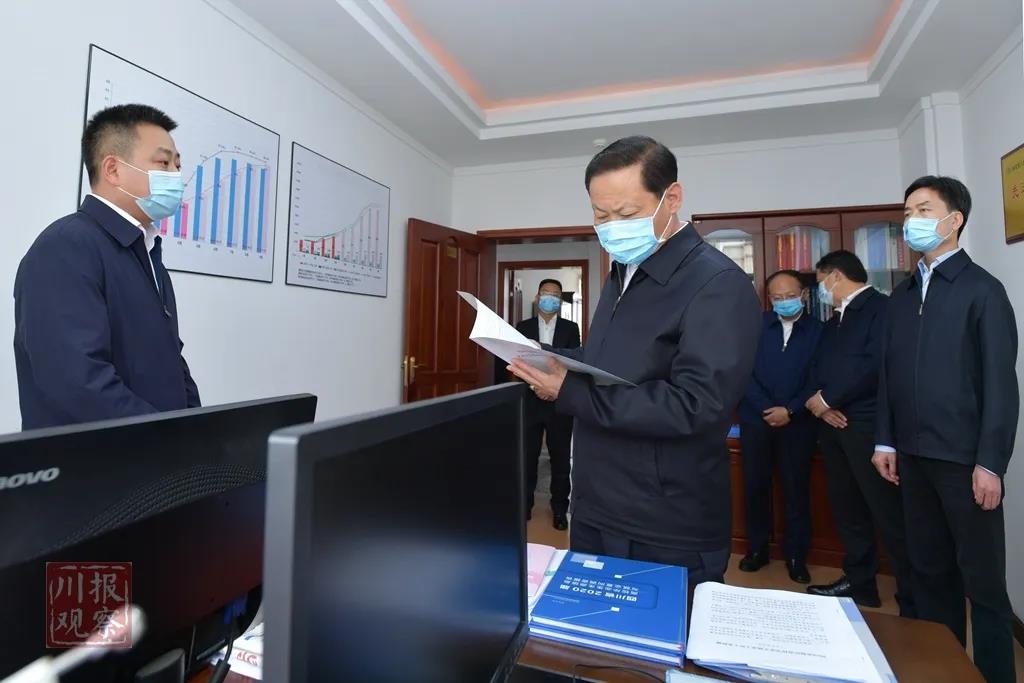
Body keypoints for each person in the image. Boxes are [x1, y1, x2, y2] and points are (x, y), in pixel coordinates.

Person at [508, 136, 760, 585]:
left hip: (662, 519)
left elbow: (696, 406)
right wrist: (544, 356)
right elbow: (612, 363)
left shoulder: (718, 283)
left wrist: (568, 390)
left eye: (625, 214)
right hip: (597, 503)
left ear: (672, 198)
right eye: (600, 215)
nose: (612, 228)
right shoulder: (623, 272)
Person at [873, 176, 1017, 683]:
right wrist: (885, 439)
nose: (910, 220)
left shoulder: (983, 291)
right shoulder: (901, 295)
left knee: (984, 586)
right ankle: (946, 671)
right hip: (912, 458)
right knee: (930, 575)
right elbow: (888, 375)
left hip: (965, 462)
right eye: (907, 211)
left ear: (954, 220)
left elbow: (1001, 385)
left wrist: (990, 463)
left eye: (923, 209)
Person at [14, 104, 201, 430]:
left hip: (161, 451)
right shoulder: (65, 247)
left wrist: (196, 427)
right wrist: (167, 437)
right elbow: (77, 381)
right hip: (100, 458)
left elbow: (172, 360)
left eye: (177, 164)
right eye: (163, 163)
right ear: (113, 170)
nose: (175, 175)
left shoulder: (147, 253)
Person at [802, 251, 914, 615]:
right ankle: (860, 583)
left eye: (821, 281)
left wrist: (828, 398)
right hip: (832, 426)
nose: (820, 289)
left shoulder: (881, 308)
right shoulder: (834, 319)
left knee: (887, 511)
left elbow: (875, 365)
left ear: (835, 275)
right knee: (847, 507)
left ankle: (912, 595)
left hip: (867, 426)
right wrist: (821, 404)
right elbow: (816, 366)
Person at [737, 270, 822, 584]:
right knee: (755, 487)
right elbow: (742, 370)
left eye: (790, 296)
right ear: (768, 299)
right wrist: (765, 408)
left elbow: (818, 378)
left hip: (798, 424)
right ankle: (757, 550)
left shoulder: (820, 331)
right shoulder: (754, 326)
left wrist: (791, 410)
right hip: (756, 420)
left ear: (804, 295)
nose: (784, 302)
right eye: (777, 297)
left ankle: (796, 556)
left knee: (796, 491)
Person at [515, 279, 581, 530]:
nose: (550, 298)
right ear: (537, 297)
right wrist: (536, 387)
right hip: (530, 401)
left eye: (555, 295)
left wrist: (554, 390)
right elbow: (516, 361)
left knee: (561, 459)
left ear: (560, 301)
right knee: (527, 457)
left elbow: (573, 364)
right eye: (546, 293)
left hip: (559, 402)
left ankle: (560, 510)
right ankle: (524, 507)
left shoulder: (571, 328)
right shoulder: (523, 327)